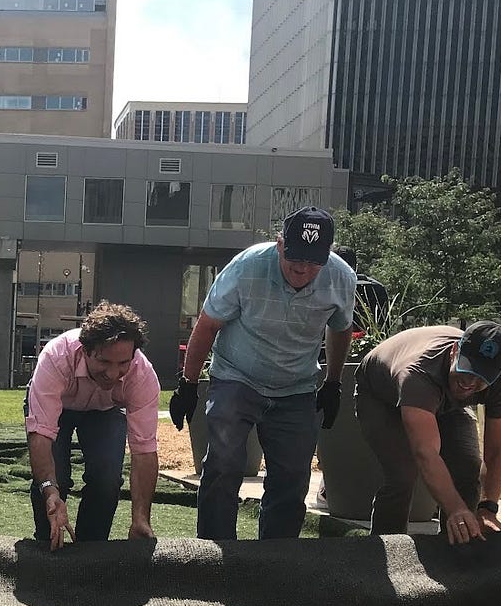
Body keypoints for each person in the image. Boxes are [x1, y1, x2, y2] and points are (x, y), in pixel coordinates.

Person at [170, 206, 356, 540]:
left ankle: (275, 559)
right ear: (280, 244)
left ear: (327, 254)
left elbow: (340, 330)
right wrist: (188, 383)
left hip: (297, 385)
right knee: (224, 465)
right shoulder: (246, 267)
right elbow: (208, 324)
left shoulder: (341, 277)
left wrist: (333, 383)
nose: (302, 269)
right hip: (237, 376)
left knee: (292, 476)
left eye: (313, 262)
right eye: (295, 258)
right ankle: (214, 551)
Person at [357, 321, 501, 542]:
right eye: (467, 368)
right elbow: (426, 452)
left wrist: (488, 508)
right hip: (381, 397)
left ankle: (458, 554)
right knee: (403, 474)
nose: (469, 382)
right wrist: (455, 509)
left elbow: (498, 448)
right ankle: (387, 547)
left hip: (444, 403)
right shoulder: (418, 372)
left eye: (482, 377)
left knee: (466, 467)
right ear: (454, 351)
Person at [24, 302, 161, 550]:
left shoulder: (143, 376)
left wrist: (141, 518)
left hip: (105, 410)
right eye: (104, 361)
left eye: (123, 364)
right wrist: (51, 492)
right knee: (58, 478)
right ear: (85, 350)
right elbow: (41, 436)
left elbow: (144, 451)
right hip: (59, 408)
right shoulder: (56, 358)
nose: (113, 373)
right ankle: (46, 544)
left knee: (107, 479)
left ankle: (92, 551)